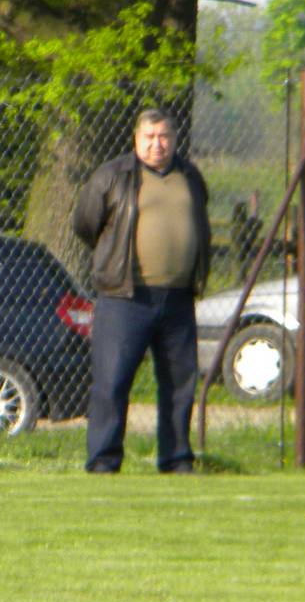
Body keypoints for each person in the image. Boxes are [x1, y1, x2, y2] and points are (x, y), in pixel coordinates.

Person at [72, 107, 212, 474]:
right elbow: (85, 224)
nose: (157, 144)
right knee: (112, 381)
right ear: (136, 139)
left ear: (175, 139)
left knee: (180, 384)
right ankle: (104, 461)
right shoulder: (112, 176)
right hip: (125, 299)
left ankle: (176, 460)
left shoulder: (190, 177)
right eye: (149, 137)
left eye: (164, 136)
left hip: (178, 298)